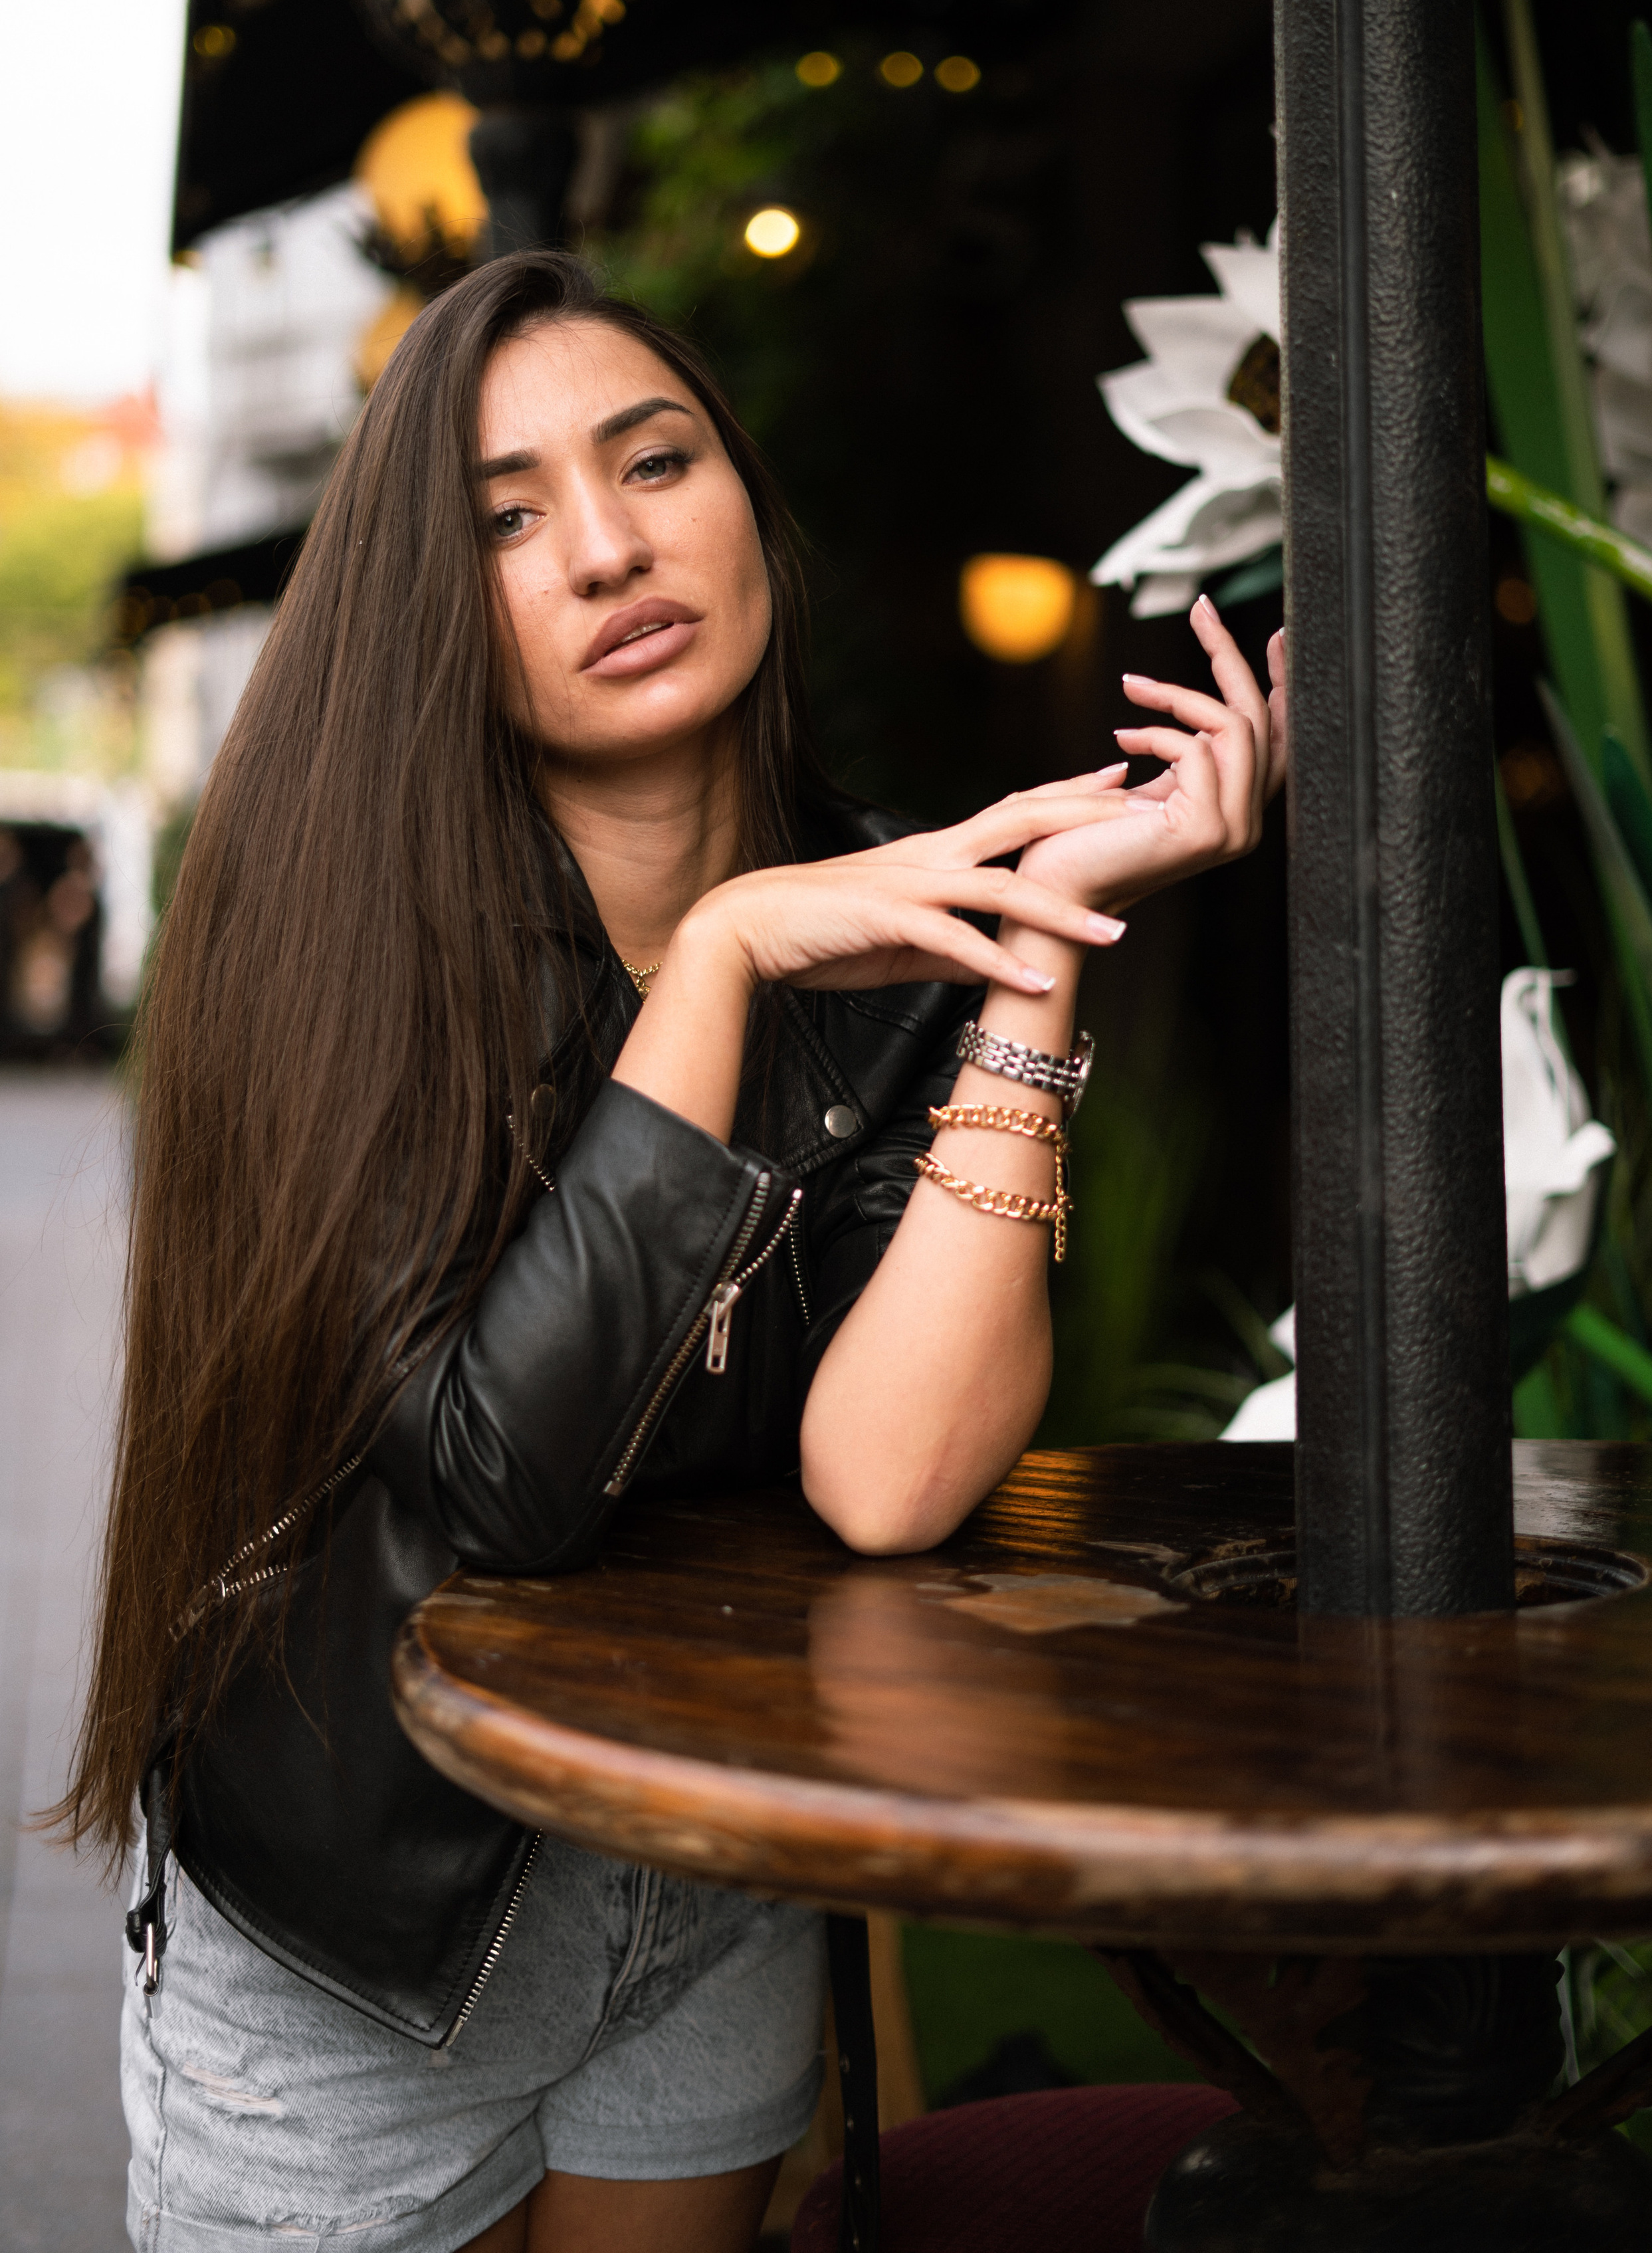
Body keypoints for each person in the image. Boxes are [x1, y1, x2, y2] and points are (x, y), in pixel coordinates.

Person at [62, 253, 1285, 2253]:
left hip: (697, 1879)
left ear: (749, 507)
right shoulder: (343, 945)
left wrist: (1037, 956)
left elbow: (887, 1485)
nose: (612, 547)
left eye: (658, 462)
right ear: (429, 610)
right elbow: (502, 1481)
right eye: (511, 518)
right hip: (365, 1941)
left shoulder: (902, 925)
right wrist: (721, 958)